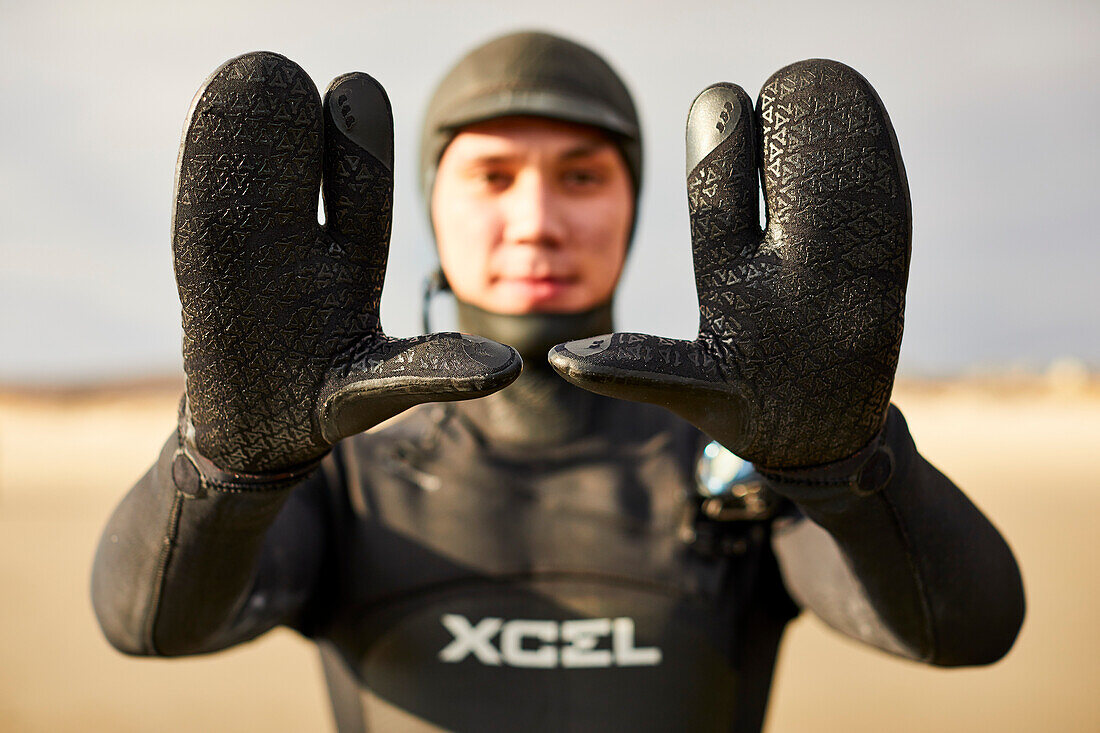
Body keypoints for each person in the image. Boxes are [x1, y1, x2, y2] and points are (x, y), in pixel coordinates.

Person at [92, 31, 1025, 732]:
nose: (536, 219)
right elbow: (152, 624)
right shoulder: (343, 473)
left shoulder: (739, 464)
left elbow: (969, 629)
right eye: (493, 176)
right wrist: (226, 465)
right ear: (426, 205)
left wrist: (847, 463)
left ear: (634, 204)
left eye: (581, 175)